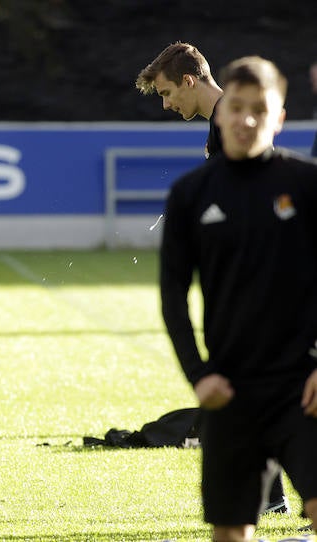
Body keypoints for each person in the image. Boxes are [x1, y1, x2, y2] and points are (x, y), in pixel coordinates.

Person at [159, 56, 317, 541]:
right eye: (238, 108)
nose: (247, 119)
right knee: (231, 530)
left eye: (260, 109)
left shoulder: (307, 186)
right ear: (223, 112)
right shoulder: (191, 193)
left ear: (280, 117)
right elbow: (172, 296)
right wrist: (199, 374)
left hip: (304, 388)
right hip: (230, 388)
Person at [136, 41, 225, 159]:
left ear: (188, 81)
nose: (165, 105)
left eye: (167, 93)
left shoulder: (232, 124)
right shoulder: (221, 125)